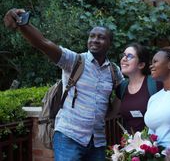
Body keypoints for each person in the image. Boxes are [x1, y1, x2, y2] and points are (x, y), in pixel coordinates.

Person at [4, 9, 124, 161]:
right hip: (69, 137)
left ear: (109, 43)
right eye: (92, 36)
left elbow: (123, 93)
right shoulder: (74, 60)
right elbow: (43, 43)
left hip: (97, 142)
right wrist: (23, 25)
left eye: (101, 37)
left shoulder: (114, 71)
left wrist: (109, 114)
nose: (94, 40)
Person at [108, 43, 170, 134]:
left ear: (141, 64)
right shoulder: (122, 88)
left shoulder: (155, 83)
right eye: (123, 55)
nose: (124, 59)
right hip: (130, 147)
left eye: (129, 56)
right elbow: (111, 114)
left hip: (157, 146)